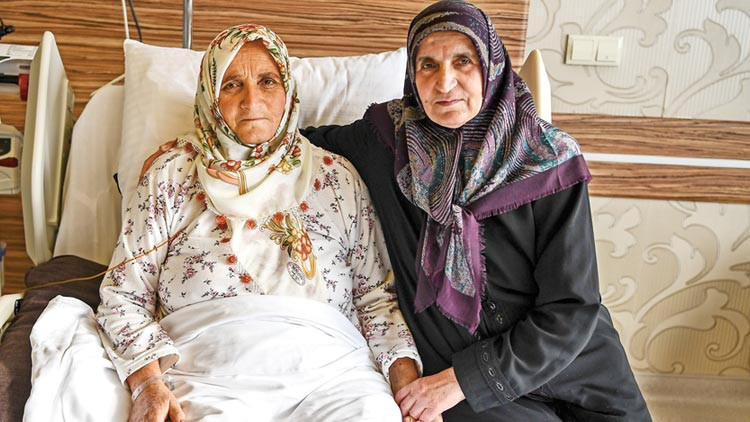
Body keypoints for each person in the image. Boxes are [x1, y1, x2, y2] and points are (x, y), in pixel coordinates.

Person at [300, 1, 653, 421]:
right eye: (428, 65)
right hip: (461, 373)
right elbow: (284, 142)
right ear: (412, 74)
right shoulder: (384, 142)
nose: (444, 82)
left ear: (491, 65)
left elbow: (572, 308)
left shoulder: (548, 160)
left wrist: (462, 382)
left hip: (574, 367)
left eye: (463, 61)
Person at [96, 24, 421, 422]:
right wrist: (148, 384)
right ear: (210, 96)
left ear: (288, 92)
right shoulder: (172, 174)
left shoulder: (337, 176)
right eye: (232, 85)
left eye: (268, 81)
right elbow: (124, 295)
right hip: (212, 373)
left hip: (334, 377)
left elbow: (376, 300)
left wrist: (409, 395)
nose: (252, 100)